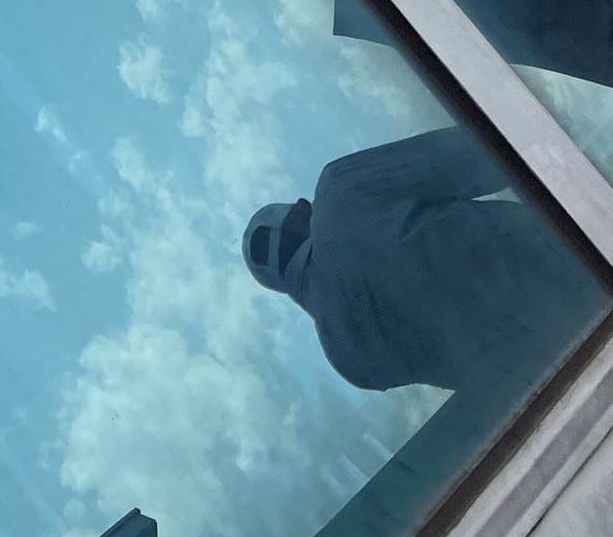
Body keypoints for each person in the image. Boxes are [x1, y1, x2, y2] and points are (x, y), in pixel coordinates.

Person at [243, 127, 593, 396]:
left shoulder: (349, 360)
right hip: (595, 270)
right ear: (302, 208)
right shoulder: (340, 191)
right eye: (303, 206)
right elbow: (491, 146)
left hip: (564, 379)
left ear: (287, 289)